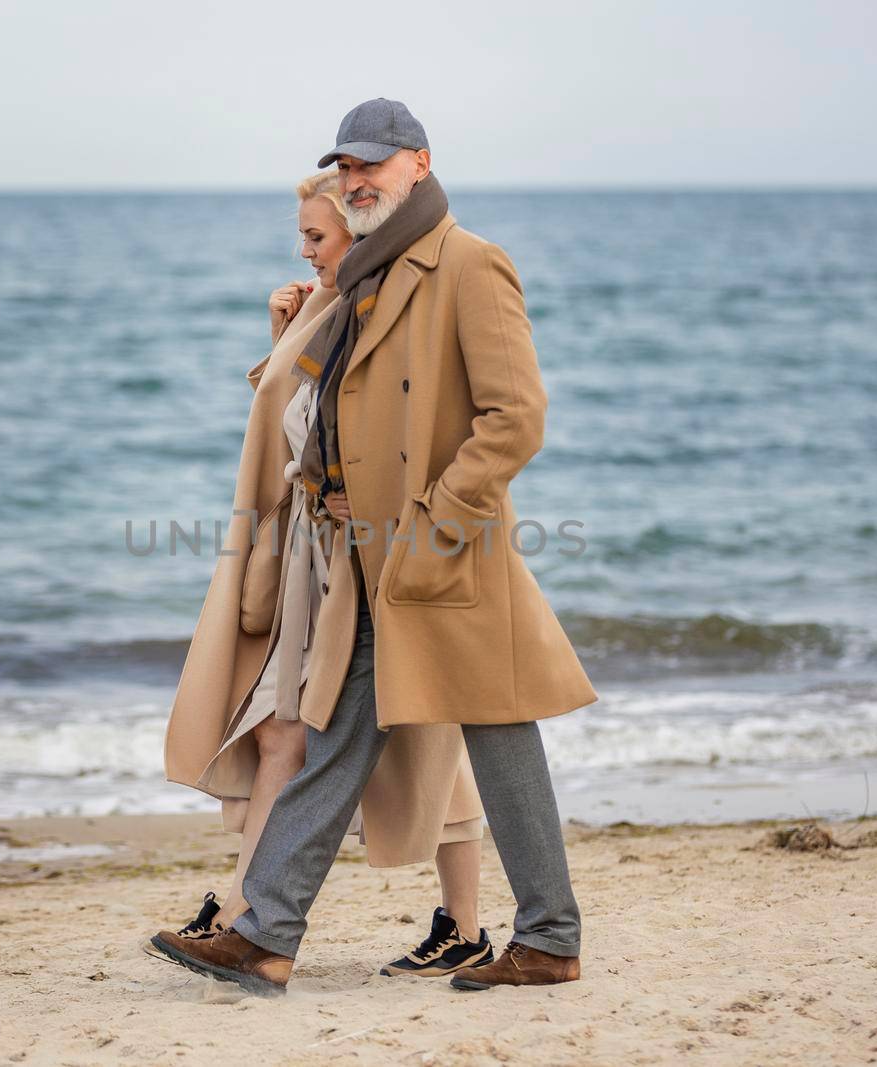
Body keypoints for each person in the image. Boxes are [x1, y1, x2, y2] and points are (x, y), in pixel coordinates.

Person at [151, 98, 600, 998]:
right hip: (364, 556)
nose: (357, 182)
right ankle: (268, 934)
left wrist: (436, 522)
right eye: (346, 169)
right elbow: (328, 411)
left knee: (500, 729)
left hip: (439, 554)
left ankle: (547, 937)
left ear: (420, 166)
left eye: (374, 167)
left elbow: (515, 421)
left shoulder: (469, 264)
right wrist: (292, 337)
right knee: (336, 735)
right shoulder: (366, 272)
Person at [154, 168, 494, 980]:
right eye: (304, 235)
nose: (303, 250)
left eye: (317, 236)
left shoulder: (385, 307)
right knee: (288, 729)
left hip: (375, 554)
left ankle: (262, 915)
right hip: (315, 557)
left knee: (422, 734)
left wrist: (387, 507)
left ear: (358, 234)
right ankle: (246, 910)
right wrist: (283, 337)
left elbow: (424, 422)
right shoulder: (328, 307)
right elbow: (298, 419)